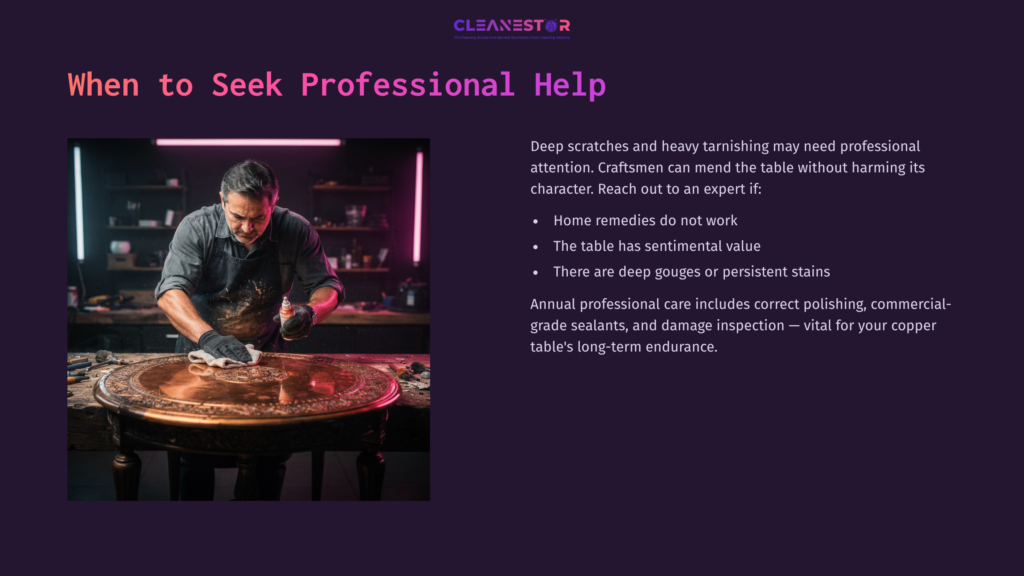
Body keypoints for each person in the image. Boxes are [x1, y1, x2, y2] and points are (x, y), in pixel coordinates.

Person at [155, 159, 343, 500]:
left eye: (258, 217)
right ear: (222, 200)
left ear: (274, 203)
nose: (247, 227)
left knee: (269, 454)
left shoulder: (295, 229)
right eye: (237, 216)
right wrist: (209, 338)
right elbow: (170, 292)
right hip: (201, 356)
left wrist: (311, 312)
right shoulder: (196, 227)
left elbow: (328, 285)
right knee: (194, 454)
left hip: (266, 358)